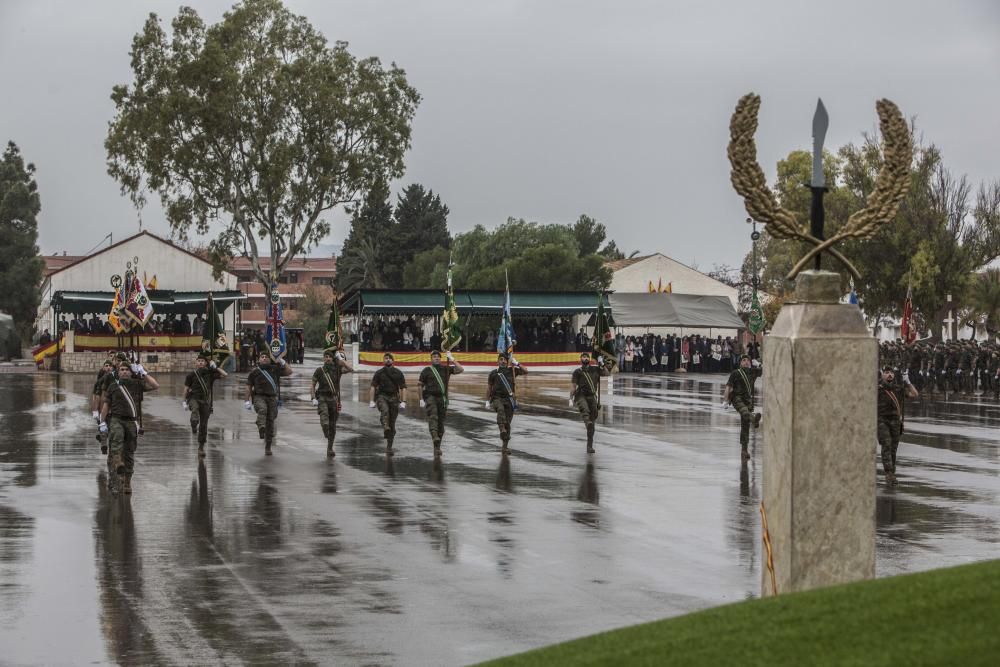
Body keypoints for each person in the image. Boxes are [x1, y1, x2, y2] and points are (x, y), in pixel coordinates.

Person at [98, 360, 159, 495]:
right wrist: (102, 422)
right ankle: (119, 462)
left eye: (127, 369)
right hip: (116, 419)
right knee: (117, 440)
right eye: (122, 370)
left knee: (130, 453)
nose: (124, 371)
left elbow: (155, 385)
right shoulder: (113, 387)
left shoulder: (137, 384)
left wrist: (144, 373)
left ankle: (127, 481)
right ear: (118, 372)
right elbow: (106, 406)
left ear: (131, 372)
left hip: (131, 422)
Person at [418, 350, 465, 458]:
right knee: (433, 417)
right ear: (431, 359)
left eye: (438, 357)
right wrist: (420, 399)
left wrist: (452, 359)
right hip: (430, 397)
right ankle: (434, 436)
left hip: (442, 399)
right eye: (434, 357)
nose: (436, 358)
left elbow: (461, 369)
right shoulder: (427, 370)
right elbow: (420, 385)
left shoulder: (446, 368)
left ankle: (437, 447)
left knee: (441, 423)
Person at [245, 351, 292, 455]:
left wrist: (282, 361)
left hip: (272, 399)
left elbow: (289, 372)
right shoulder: (254, 372)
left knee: (271, 422)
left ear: (270, 359)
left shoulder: (274, 369)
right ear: (259, 360)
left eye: (266, 357)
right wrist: (247, 401)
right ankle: (261, 426)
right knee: (262, 409)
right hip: (259, 397)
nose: (264, 358)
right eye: (262, 357)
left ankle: (268, 446)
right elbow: (248, 387)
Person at [877, 366, 918, 484]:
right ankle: (889, 473)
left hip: (895, 421)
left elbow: (914, 394)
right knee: (887, 444)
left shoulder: (898, 388)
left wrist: (908, 382)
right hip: (881, 420)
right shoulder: (878, 389)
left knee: (893, 449)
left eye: (891, 372)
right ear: (882, 374)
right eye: (886, 372)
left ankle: (892, 472)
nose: (889, 374)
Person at [183, 352, 228, 458]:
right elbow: (185, 388)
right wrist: (184, 401)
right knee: (194, 410)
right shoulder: (191, 375)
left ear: (206, 363)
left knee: (203, 425)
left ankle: (201, 447)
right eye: (198, 361)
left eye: (202, 361)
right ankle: (194, 423)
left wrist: (216, 367)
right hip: (193, 398)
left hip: (205, 401)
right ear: (196, 363)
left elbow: (225, 375)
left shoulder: (210, 373)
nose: (200, 362)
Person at [311, 349, 354, 457]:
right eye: (326, 357)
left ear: (332, 358)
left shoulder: (337, 369)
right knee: (324, 417)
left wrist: (341, 360)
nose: (328, 358)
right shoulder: (319, 370)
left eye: (330, 357)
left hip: (333, 399)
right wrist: (313, 398)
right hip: (322, 397)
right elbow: (312, 385)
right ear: (323, 358)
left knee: (333, 426)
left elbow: (351, 369)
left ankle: (330, 448)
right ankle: (325, 428)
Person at [724, 354, 763, 463]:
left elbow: (763, 370)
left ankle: (744, 450)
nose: (746, 362)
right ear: (740, 362)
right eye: (744, 360)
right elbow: (728, 386)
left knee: (745, 426)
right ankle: (754, 419)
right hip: (737, 398)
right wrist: (725, 400)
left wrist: (759, 364)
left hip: (748, 400)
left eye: (748, 361)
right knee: (745, 412)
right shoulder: (736, 373)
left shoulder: (752, 372)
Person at [570, 351, 610, 453]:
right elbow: (573, 386)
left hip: (592, 396)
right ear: (581, 360)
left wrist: (602, 364)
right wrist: (570, 398)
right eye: (583, 357)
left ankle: (589, 446)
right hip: (581, 395)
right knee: (585, 410)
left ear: (590, 359)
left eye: (587, 357)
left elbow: (606, 373)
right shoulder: (577, 372)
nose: (585, 358)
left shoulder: (596, 369)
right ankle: (587, 423)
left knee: (593, 419)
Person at [486, 353, 527, 453]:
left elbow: (526, 371)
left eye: (505, 360)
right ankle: (502, 430)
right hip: (497, 398)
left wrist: (517, 363)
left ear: (508, 361)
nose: (503, 361)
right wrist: (487, 401)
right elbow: (489, 388)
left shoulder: (512, 371)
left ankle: (504, 447)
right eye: (501, 359)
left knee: (508, 423)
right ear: (498, 361)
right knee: (500, 410)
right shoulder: (493, 373)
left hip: (509, 400)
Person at [369, 352, 408, 454]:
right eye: (386, 358)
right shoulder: (379, 373)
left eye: (390, 358)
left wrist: (404, 401)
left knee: (392, 424)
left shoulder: (398, 373)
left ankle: (389, 446)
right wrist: (371, 400)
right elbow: (373, 387)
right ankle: (385, 426)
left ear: (393, 361)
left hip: (394, 398)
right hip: (382, 396)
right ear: (383, 360)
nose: (388, 360)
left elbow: (403, 388)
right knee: (385, 411)